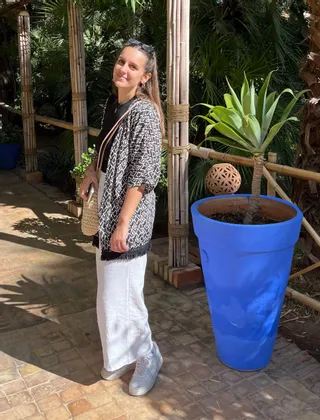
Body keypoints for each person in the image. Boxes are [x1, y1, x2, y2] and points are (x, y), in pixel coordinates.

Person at [79, 39, 164, 397]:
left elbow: (144, 176)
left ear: (145, 77)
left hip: (129, 216)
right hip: (108, 209)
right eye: (121, 62)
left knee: (125, 293)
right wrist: (91, 172)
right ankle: (119, 355)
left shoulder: (145, 114)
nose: (123, 69)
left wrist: (123, 223)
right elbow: (103, 146)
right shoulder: (113, 104)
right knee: (109, 292)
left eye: (133, 66)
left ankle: (147, 355)